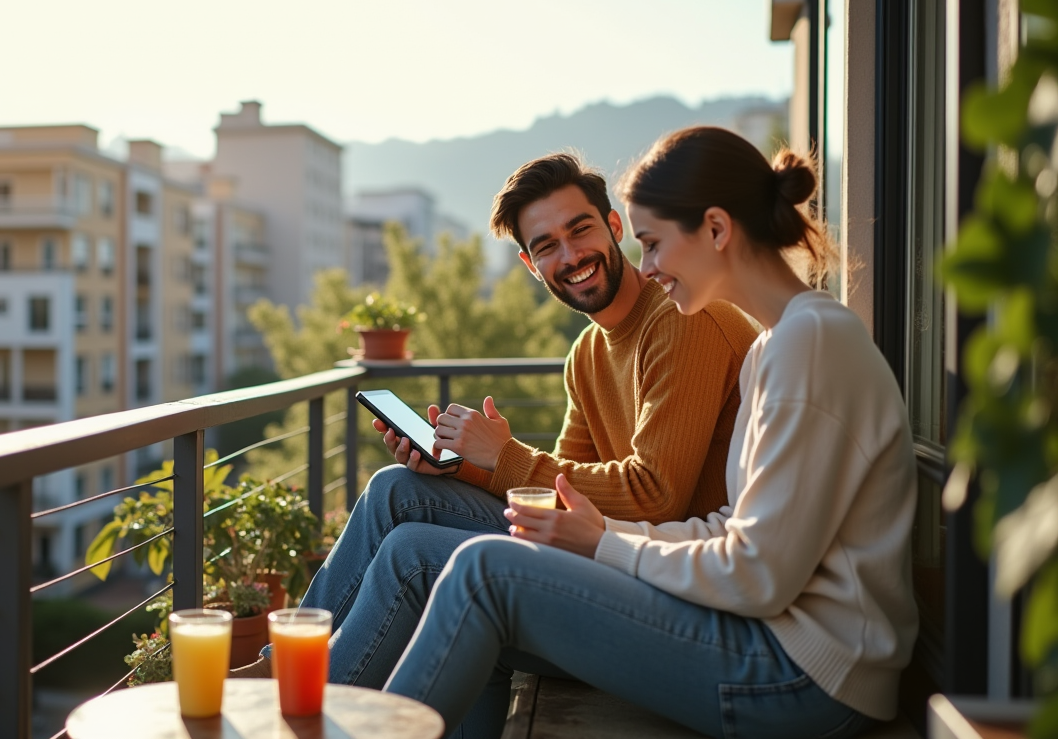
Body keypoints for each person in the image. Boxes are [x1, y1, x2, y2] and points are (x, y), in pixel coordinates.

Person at [382, 127, 919, 739]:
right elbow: (731, 529)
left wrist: (603, 545)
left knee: (483, 571)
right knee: (465, 575)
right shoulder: (775, 346)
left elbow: (758, 575)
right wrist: (599, 531)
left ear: (715, 230)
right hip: (772, 642)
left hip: (807, 675)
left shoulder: (810, 344)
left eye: (654, 243)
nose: (649, 267)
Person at [233, 152, 756, 685]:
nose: (571, 255)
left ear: (614, 227)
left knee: (413, 554)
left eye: (580, 230)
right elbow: (555, 498)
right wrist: (463, 467)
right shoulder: (586, 353)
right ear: (531, 265)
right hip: (611, 552)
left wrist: (503, 456)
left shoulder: (682, 319)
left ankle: (293, 696)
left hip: (674, 584)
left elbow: (656, 495)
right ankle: (281, 666)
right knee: (395, 488)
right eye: (546, 246)